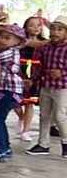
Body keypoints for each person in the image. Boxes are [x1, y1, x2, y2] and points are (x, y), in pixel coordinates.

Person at [26, 15, 67, 158]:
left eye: (60, 29)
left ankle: (66, 143)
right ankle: (43, 144)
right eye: (53, 29)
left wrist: (61, 72)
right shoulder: (46, 47)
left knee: (60, 116)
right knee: (44, 116)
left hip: (62, 87)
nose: (55, 32)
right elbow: (41, 66)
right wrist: (32, 79)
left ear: (65, 33)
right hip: (46, 86)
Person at [0, 24, 25, 162]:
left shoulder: (11, 52)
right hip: (5, 90)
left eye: (7, 38)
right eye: (2, 37)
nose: (3, 40)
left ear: (18, 41)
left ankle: (2, 149)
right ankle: (4, 146)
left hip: (10, 90)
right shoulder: (7, 50)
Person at [16, 16, 46, 142]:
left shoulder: (44, 42)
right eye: (32, 25)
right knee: (15, 101)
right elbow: (33, 44)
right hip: (19, 73)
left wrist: (35, 77)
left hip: (35, 74)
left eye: (38, 25)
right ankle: (21, 117)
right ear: (26, 27)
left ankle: (25, 130)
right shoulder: (22, 41)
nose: (35, 28)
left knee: (29, 103)